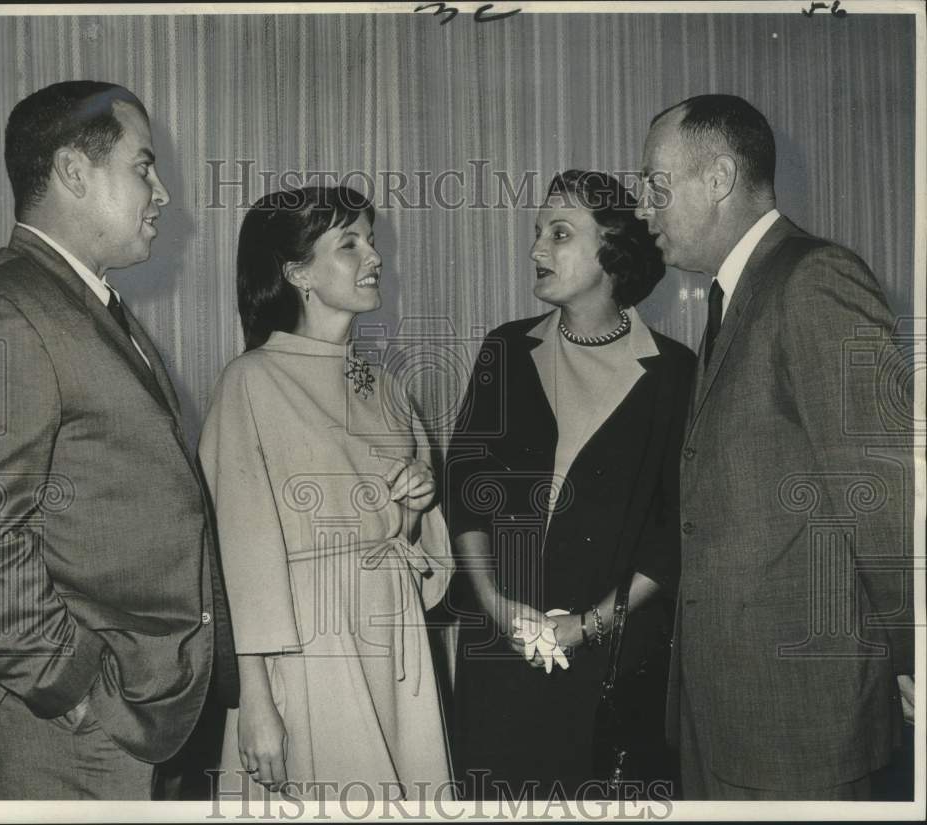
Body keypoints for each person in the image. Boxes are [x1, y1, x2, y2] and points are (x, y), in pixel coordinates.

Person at [0, 81, 238, 799]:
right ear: (75, 172)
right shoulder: (0, 308)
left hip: (125, 711)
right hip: (71, 724)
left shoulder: (79, 300)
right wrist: (72, 687)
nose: (162, 192)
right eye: (143, 166)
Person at [636, 93, 915, 800]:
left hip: (801, 722)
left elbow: (885, 494)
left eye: (655, 185)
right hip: (724, 713)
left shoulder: (815, 279)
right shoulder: (735, 297)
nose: (645, 210)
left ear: (720, 177)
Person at [198, 186, 453, 802]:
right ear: (298, 274)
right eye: (349, 243)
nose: (373, 255)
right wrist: (256, 702)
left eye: (371, 239)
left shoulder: (388, 386)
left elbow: (428, 558)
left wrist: (418, 506)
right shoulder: (251, 382)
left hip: (397, 634)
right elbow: (239, 558)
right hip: (311, 644)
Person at [445, 170, 695, 800]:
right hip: (499, 646)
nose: (536, 250)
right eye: (537, 233)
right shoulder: (504, 350)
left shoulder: (676, 374)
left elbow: (675, 532)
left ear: (613, 250)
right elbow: (464, 487)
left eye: (558, 234)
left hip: (611, 659)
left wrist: (586, 626)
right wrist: (497, 606)